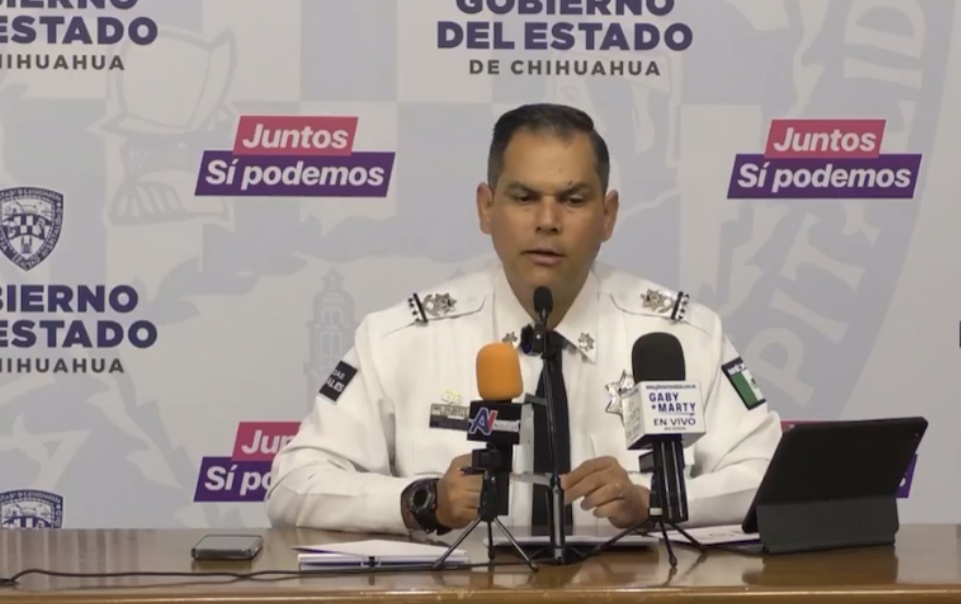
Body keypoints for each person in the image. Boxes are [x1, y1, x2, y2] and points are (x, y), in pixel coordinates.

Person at [265, 103, 782, 536]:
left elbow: (769, 477)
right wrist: (425, 501)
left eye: (573, 200)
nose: (547, 221)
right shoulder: (401, 339)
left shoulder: (682, 335)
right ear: (486, 208)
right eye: (524, 198)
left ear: (607, 216)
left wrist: (656, 502)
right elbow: (294, 483)